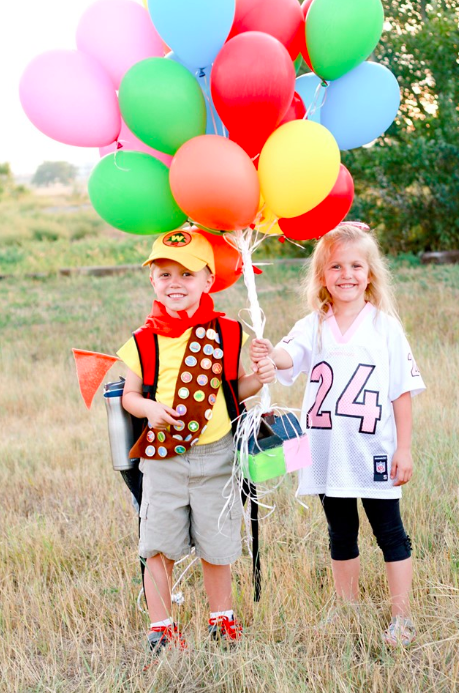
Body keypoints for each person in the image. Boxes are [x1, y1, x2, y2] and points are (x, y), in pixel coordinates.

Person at [250, 222, 425, 647]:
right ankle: (345, 607)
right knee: (340, 531)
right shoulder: (314, 324)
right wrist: (267, 350)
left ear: (370, 273)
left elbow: (402, 392)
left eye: (355, 265)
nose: (346, 274)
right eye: (335, 267)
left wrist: (404, 448)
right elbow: (288, 356)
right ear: (322, 275)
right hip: (328, 450)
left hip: (374, 449)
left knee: (390, 532)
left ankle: (403, 617)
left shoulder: (384, 327)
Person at [118, 228, 274, 655]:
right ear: (152, 281)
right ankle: (161, 627)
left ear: (209, 279)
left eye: (187, 274)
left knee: (217, 542)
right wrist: (148, 410)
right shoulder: (143, 340)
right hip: (164, 460)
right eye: (165, 274)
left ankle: (221, 618)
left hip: (218, 456)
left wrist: (258, 379)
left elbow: (233, 391)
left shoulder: (228, 332)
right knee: (158, 544)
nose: (175, 283)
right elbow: (130, 396)